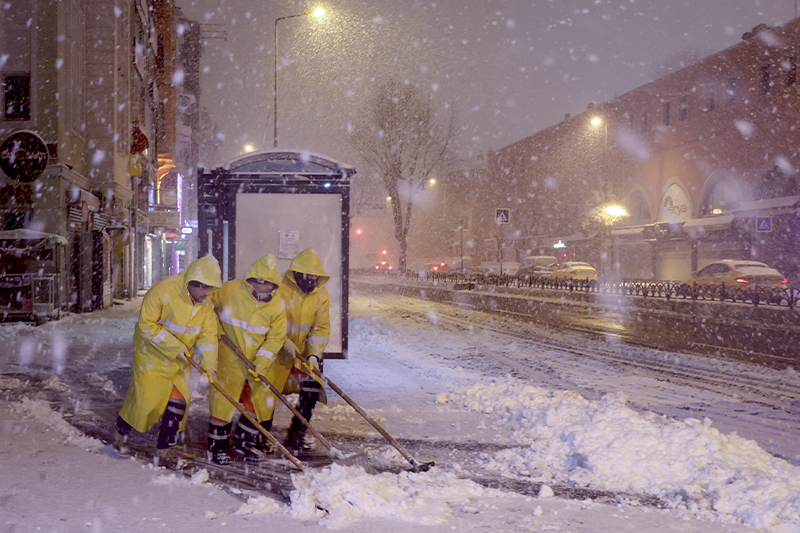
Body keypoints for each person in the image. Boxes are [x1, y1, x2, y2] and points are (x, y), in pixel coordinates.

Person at [112, 255, 222, 468]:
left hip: (180, 359)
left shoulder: (205, 304)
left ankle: (164, 450)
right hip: (151, 354)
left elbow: (208, 337)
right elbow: (146, 326)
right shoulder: (163, 291)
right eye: (205, 288)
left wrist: (209, 366)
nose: (208, 294)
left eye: (211, 288)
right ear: (192, 283)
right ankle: (120, 432)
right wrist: (175, 347)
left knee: (179, 402)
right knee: (146, 402)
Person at [206, 255, 286, 465]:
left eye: (270, 284)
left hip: (257, 366)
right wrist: (213, 326)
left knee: (257, 405)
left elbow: (276, 337)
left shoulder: (276, 306)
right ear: (252, 279)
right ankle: (217, 448)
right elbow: (205, 304)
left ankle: (243, 441)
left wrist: (263, 361)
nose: (266, 287)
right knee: (222, 405)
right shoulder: (229, 290)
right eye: (262, 282)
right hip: (228, 361)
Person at [261, 247, 330, 452]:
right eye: (309, 278)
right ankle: (261, 434)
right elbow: (267, 320)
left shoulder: (321, 294)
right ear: (297, 275)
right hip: (275, 350)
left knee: (311, 388)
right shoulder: (278, 289)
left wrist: (314, 355)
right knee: (267, 393)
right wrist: (282, 342)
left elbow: (321, 328)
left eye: (315, 279)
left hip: (303, 354)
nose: (312, 283)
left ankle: (297, 434)